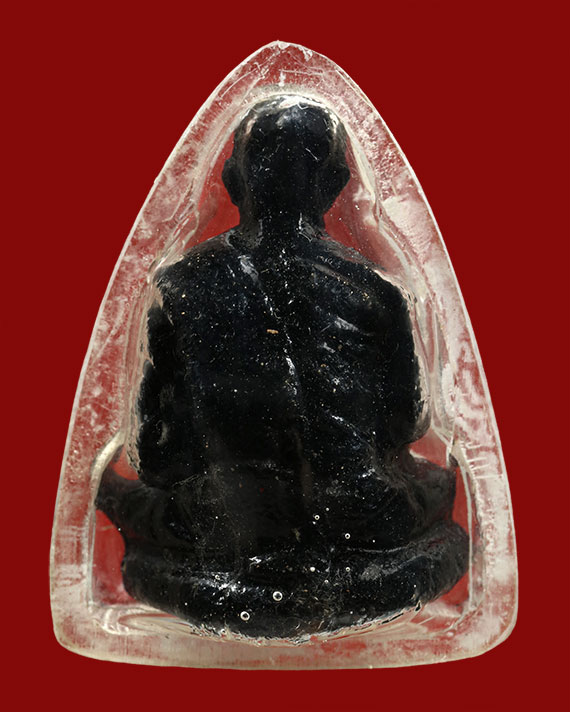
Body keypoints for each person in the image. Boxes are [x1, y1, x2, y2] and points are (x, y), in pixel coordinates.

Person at [97, 95, 468, 637]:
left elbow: (157, 455)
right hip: (361, 520)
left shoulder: (180, 287)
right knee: (442, 501)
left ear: (232, 179)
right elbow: (405, 426)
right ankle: (329, 587)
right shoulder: (378, 292)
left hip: (226, 525)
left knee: (134, 507)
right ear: (335, 184)